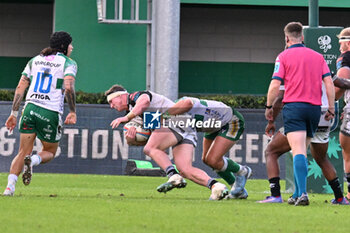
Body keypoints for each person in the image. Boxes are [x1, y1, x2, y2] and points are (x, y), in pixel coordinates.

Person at [105, 85, 229, 200]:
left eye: (111, 101)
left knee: (150, 149)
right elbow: (138, 142)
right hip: (186, 127)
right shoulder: (133, 115)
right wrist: (131, 138)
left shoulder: (135, 97)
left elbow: (144, 102)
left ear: (120, 96)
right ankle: (216, 187)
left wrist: (127, 118)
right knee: (185, 169)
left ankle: (173, 176)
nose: (111, 106)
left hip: (176, 120)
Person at [265, 22, 335, 206]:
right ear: (302, 37)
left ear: (287, 38)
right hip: (314, 110)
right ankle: (296, 194)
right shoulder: (318, 57)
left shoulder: (283, 56)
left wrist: (268, 106)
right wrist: (332, 108)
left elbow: (274, 85)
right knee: (302, 150)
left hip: (294, 107)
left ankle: (302, 194)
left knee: (298, 151)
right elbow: (328, 83)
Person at [3, 31, 77, 196]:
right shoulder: (69, 63)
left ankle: (9, 188)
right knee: (50, 151)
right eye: (71, 44)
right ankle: (34, 161)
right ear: (64, 46)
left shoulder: (34, 60)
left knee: (22, 151)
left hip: (29, 109)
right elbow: (69, 87)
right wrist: (72, 111)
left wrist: (14, 113)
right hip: (50, 111)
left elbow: (20, 87)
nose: (72, 48)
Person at [258, 76, 350, 205]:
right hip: (324, 115)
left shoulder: (291, 66)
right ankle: (340, 198)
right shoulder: (320, 64)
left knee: (271, 151)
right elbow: (340, 83)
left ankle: (276, 195)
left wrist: (271, 121)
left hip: (302, 113)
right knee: (321, 159)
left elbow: (279, 99)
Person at [163, 96, 252, 199]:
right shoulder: (171, 116)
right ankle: (237, 190)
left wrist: (164, 115)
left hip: (231, 121)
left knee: (213, 160)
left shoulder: (176, 107)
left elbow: (188, 102)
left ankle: (242, 171)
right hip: (213, 126)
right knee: (207, 160)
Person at [334, 27, 350, 201]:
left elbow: (341, 83)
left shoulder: (345, 58)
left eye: (341, 43)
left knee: (348, 154)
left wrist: (332, 99)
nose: (340, 48)